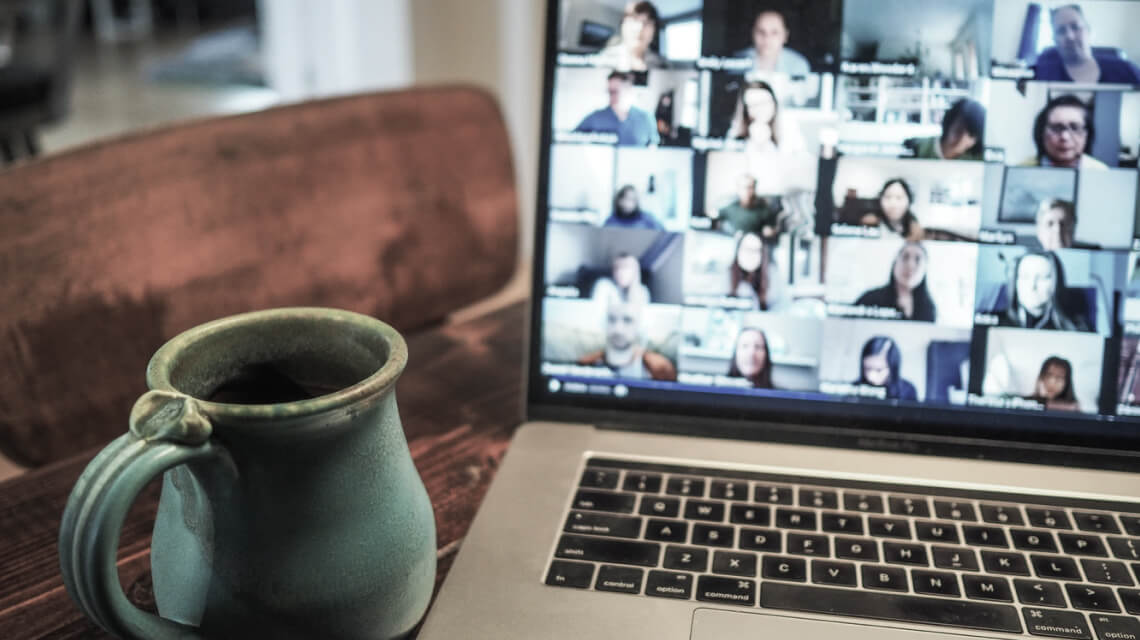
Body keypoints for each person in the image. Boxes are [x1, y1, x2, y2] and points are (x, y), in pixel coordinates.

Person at [1034, 4, 1140, 84]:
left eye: (1075, 27)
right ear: (1054, 39)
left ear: (1088, 30)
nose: (1070, 36)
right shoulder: (1042, 76)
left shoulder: (1125, 70)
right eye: (1061, 31)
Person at [576, 299, 676, 381]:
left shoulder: (659, 367)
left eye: (627, 320)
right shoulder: (587, 363)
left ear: (639, 326)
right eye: (612, 319)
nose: (618, 329)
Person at [998, 251, 1091, 331]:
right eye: (1024, 277)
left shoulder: (1076, 327)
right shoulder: (996, 322)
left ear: (1056, 283)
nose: (1032, 286)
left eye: (1042, 278)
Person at [855, 242, 937, 322]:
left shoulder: (929, 308)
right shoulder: (869, 299)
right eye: (905, 257)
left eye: (917, 259)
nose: (910, 265)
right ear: (895, 262)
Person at [1020, 95, 1107, 169]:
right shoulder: (1022, 170)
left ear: (1087, 134)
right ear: (1041, 132)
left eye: (1075, 127)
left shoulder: (1099, 171)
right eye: (1056, 128)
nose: (1065, 137)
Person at [574, 71, 659, 146]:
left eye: (615, 91)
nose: (611, 96)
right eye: (609, 92)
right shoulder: (595, 118)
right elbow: (572, 140)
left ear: (628, 89)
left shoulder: (645, 118)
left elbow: (652, 149)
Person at [904, 99, 986, 161]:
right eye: (958, 130)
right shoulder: (919, 148)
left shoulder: (977, 160)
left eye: (971, 135)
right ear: (949, 124)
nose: (962, 139)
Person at [735, 9, 811, 76]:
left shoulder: (798, 65)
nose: (767, 38)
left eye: (774, 33)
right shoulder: (736, 61)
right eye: (761, 32)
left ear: (785, 36)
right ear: (753, 34)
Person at [595, 1, 666, 71]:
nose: (639, 28)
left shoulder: (662, 65)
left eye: (646, 23)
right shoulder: (602, 61)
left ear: (654, 30)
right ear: (622, 25)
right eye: (634, 20)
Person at [713, 174, 780, 237]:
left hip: (754, 243)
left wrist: (769, 231)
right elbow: (713, 216)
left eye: (752, 187)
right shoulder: (730, 208)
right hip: (733, 241)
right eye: (745, 187)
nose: (748, 191)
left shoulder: (763, 209)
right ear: (738, 189)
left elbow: (771, 227)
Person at [859, 178, 924, 242]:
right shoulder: (870, 221)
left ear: (909, 201)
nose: (893, 204)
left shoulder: (914, 228)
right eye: (888, 197)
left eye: (899, 198)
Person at [856, 336, 918, 401]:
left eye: (879, 370)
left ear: (892, 367)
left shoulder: (907, 390)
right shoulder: (854, 389)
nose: (871, 376)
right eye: (867, 368)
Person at [729, 231, 770, 310]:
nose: (750, 255)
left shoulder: (772, 276)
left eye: (755, 250)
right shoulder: (728, 275)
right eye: (747, 249)